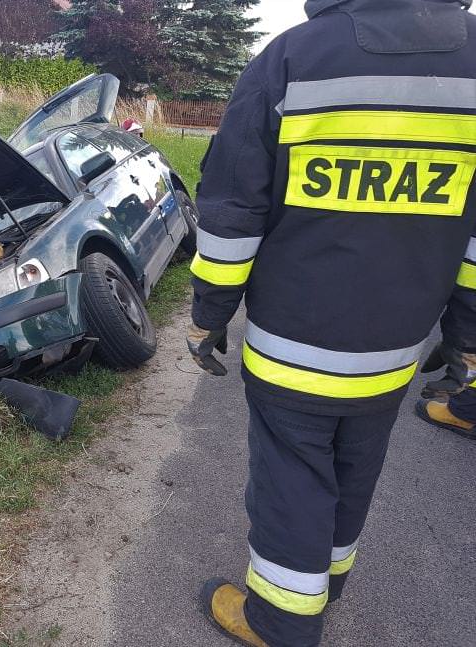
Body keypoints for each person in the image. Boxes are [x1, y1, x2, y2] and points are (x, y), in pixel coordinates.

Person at [185, 1, 476, 645]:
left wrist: (210, 315)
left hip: (292, 342)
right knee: (355, 468)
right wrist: (467, 335)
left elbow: (234, 207)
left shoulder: (293, 58)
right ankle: (327, 583)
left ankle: (282, 620)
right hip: (396, 349)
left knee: (291, 474)